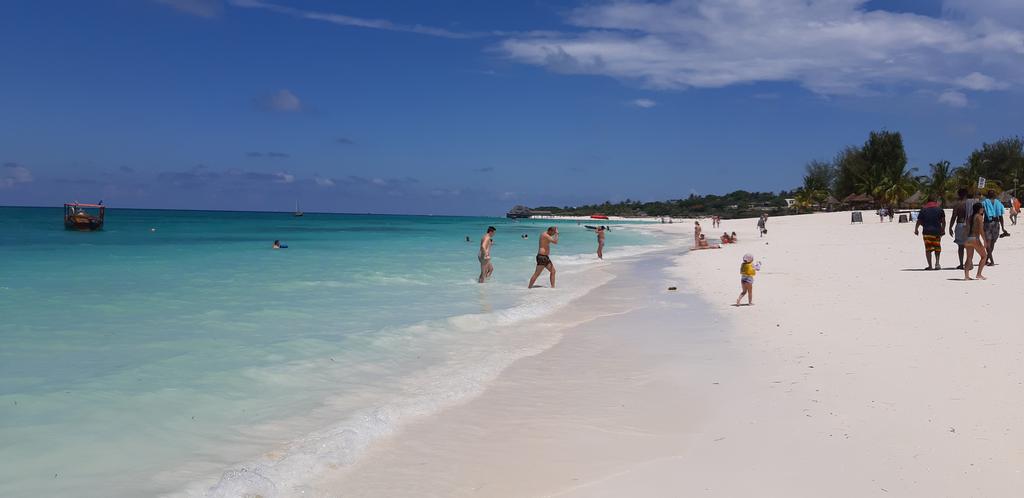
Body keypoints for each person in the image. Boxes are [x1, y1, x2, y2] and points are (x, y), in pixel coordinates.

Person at [914, 195, 946, 270]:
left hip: (926, 232)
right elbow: (943, 221)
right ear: (935, 201)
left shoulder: (923, 209)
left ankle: (930, 266)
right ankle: (937, 263)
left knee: (928, 248)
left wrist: (916, 229)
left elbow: (919, 221)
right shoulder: (940, 209)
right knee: (937, 247)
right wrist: (943, 230)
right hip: (937, 232)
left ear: (927, 201)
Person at [981, 190, 1006, 266]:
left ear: (987, 195)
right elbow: (1000, 216)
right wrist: (1003, 227)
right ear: (994, 195)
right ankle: (989, 260)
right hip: (996, 223)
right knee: (992, 243)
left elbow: (981, 214)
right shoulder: (998, 203)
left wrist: (979, 224)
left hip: (987, 223)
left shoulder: (984, 203)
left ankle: (988, 260)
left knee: (988, 243)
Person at [964, 203, 988, 280]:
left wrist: (964, 239)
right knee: (984, 256)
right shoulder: (979, 217)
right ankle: (979, 274)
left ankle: (966, 276)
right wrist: (984, 240)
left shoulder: (970, 217)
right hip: (975, 239)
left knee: (969, 258)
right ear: (979, 209)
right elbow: (981, 230)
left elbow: (966, 228)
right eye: (982, 208)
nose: (983, 209)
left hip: (968, 239)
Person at [948, 188, 969, 270]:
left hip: (960, 224)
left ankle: (961, 264)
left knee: (961, 246)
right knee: (969, 246)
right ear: (966, 194)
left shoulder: (957, 204)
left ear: (959, 195)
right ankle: (969, 263)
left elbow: (954, 216)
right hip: (969, 225)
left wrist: (950, 227)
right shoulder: (970, 204)